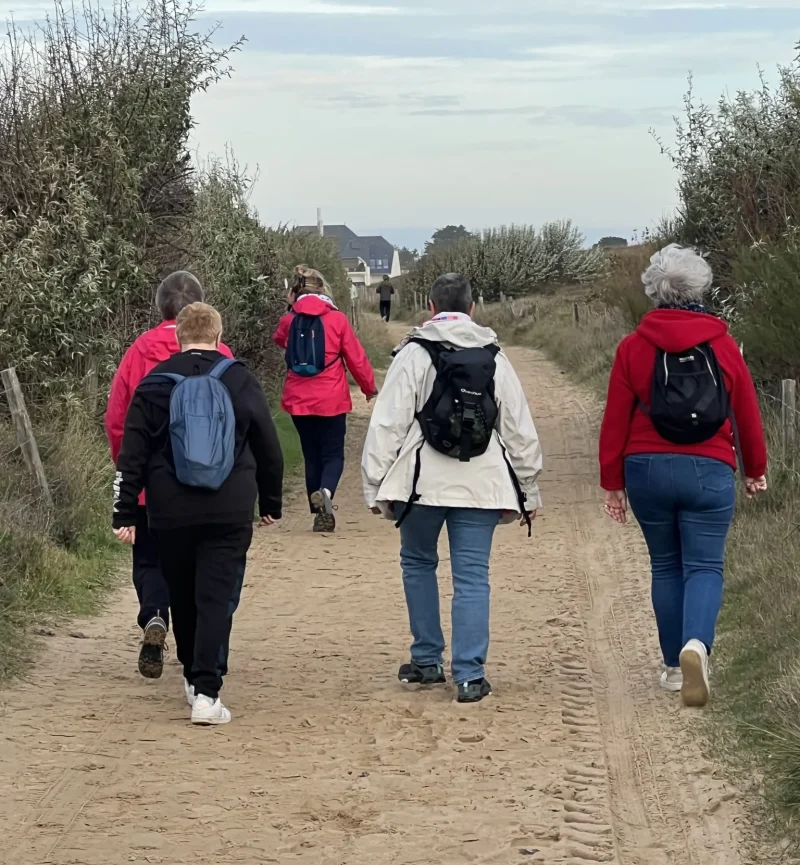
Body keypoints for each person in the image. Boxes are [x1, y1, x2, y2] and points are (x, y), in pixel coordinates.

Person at [599, 244, 767, 709]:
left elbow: (615, 420)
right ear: (700, 288)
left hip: (646, 469)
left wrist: (612, 482)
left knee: (665, 565)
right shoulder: (723, 344)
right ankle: (697, 644)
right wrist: (755, 470)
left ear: (654, 290)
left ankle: (675, 667)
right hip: (709, 468)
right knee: (705, 566)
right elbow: (746, 412)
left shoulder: (633, 347)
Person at [362, 273, 542, 704]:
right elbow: (518, 429)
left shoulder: (414, 353)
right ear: (472, 307)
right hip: (482, 484)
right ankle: (469, 675)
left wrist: (375, 483)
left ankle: (427, 660)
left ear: (430, 306)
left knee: (417, 562)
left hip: (420, 485)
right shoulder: (494, 356)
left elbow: (387, 424)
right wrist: (528, 488)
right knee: (472, 576)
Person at [112, 303, 284, 725]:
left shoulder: (154, 383)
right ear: (218, 336)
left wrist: (125, 511)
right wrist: (270, 502)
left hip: (169, 510)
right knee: (215, 597)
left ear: (178, 337)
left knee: (182, 594)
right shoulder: (239, 379)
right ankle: (207, 693)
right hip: (229, 508)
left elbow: (132, 454)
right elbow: (268, 445)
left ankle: (192, 678)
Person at [105, 272, 233, 679]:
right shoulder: (219, 352)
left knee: (148, 559)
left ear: (160, 306)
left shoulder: (139, 350)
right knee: (199, 564)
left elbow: (117, 419)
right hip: (208, 483)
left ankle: (155, 614)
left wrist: (128, 471)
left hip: (151, 484)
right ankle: (198, 648)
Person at [274, 265, 377, 533]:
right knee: (333, 454)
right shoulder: (337, 319)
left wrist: (291, 308)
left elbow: (280, 340)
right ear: (322, 289)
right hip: (331, 398)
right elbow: (355, 358)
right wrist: (368, 388)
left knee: (311, 455)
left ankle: (319, 514)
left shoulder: (289, 320)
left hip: (298, 399)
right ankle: (327, 493)